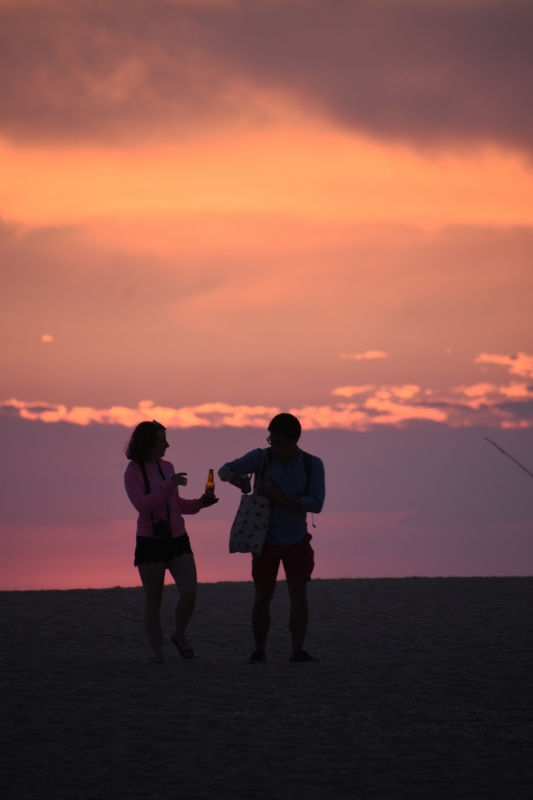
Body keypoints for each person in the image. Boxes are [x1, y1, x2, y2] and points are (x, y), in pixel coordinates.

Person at [218, 413, 325, 663]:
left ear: (295, 439)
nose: (275, 448)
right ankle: (260, 650)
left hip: (297, 538)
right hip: (264, 540)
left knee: (298, 592)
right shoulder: (262, 456)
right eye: (272, 441)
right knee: (263, 594)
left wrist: (281, 497)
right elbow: (224, 469)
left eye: (280, 443)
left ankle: (297, 650)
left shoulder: (312, 464)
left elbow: (317, 503)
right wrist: (236, 478)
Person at [124, 420, 218, 664]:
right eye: (162, 440)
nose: (167, 444)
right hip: (150, 541)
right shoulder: (133, 472)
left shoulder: (167, 467)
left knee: (190, 592)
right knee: (153, 600)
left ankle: (179, 635)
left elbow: (177, 505)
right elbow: (142, 506)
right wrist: (168, 484)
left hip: (177, 538)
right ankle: (158, 654)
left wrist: (200, 503)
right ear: (149, 443)